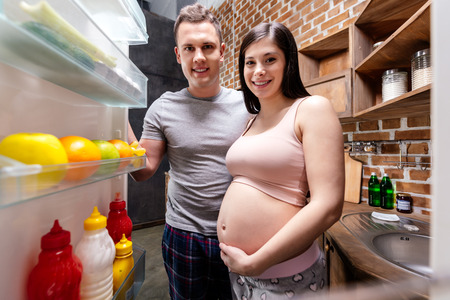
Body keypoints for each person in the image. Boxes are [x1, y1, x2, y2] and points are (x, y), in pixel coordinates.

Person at [127, 3, 250, 300]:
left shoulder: (250, 105)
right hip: (183, 235)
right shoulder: (163, 108)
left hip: (240, 232)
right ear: (178, 54)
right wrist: (115, 112)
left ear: (221, 51)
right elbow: (143, 171)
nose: (199, 57)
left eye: (207, 47)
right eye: (189, 48)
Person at [217, 22, 344, 299]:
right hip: (239, 273)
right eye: (250, 62)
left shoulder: (311, 109)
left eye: (270, 59)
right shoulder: (251, 121)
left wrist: (257, 261)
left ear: (288, 63)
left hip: (287, 276)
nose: (258, 70)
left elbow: (328, 205)